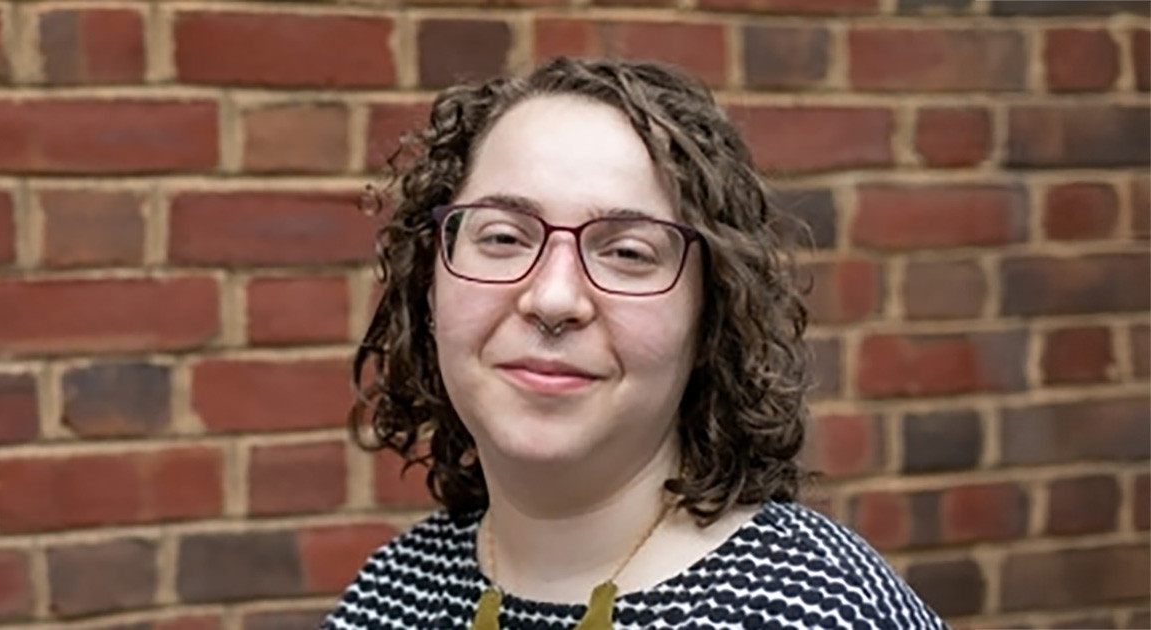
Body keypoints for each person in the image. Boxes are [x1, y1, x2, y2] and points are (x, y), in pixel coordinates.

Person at [320, 57, 947, 630]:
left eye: (627, 252)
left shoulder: (822, 609)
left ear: (710, 315)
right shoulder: (388, 596)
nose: (554, 299)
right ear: (431, 285)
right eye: (504, 238)